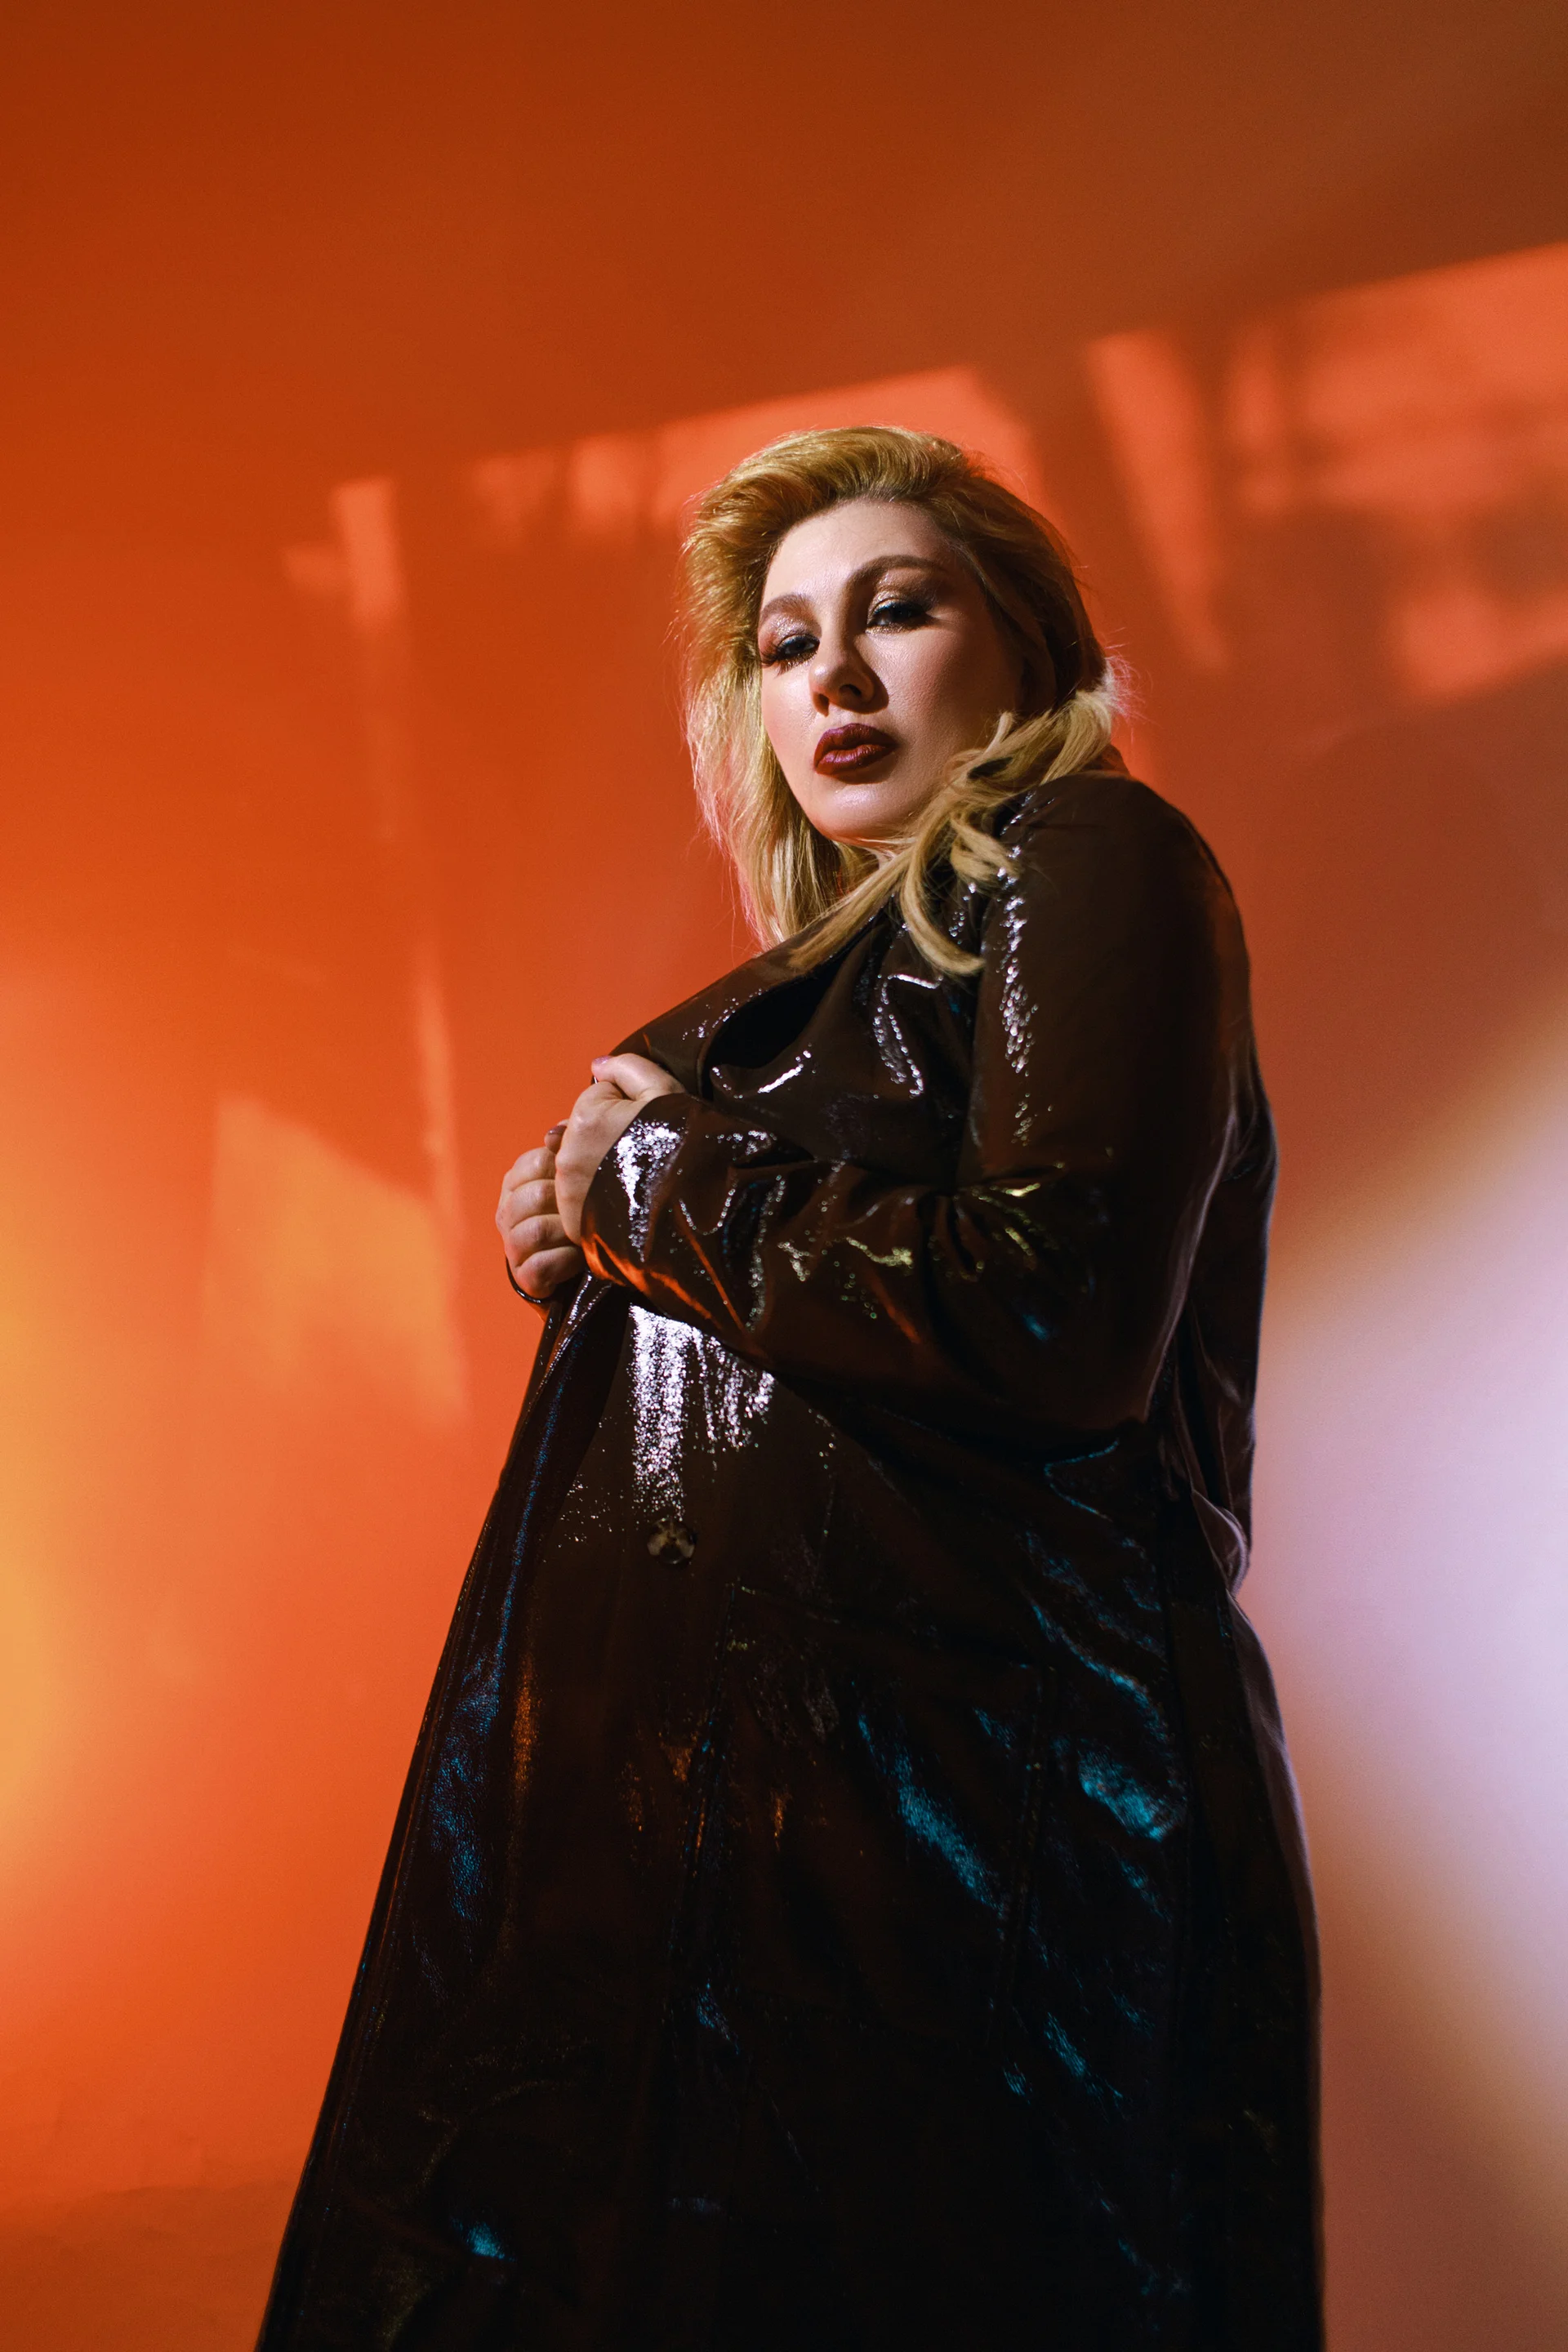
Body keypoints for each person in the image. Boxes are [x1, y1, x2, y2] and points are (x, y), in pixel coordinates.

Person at [257, 427, 1321, 2350]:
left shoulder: (1088, 854)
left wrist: (661, 1184)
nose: (832, 676)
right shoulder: (841, 981)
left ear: (1030, 655)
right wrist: (601, 1250)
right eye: (784, 642)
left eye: (896, 613)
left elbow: (1055, 1312)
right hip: (761, 1860)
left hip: (961, 1851)